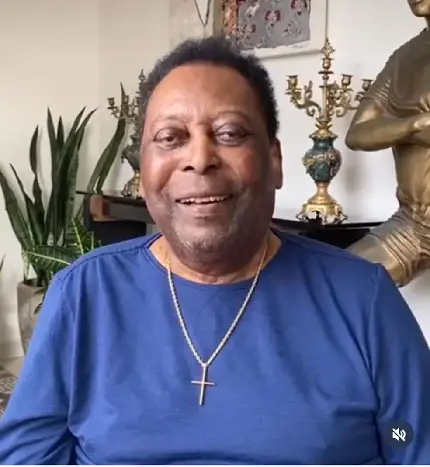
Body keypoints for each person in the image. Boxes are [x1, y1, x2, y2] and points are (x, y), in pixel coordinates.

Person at [0, 36, 429, 465]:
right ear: (142, 168)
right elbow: (30, 453)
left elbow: (409, 435)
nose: (200, 158)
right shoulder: (84, 292)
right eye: (170, 137)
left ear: (275, 161)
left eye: (229, 133)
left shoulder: (363, 296)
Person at [345, 0, 430, 287]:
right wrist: (413, 126)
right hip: (414, 224)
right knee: (334, 285)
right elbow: (357, 133)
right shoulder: (405, 57)